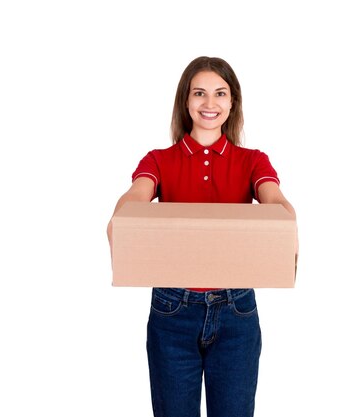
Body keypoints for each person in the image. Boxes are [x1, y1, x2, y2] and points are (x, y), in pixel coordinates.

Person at [107, 56, 297, 417]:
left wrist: (288, 222)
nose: (210, 104)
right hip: (172, 309)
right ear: (186, 101)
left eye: (220, 94)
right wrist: (123, 217)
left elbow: (276, 203)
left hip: (236, 310)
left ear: (232, 102)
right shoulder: (159, 160)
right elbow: (134, 198)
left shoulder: (253, 161)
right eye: (199, 93)